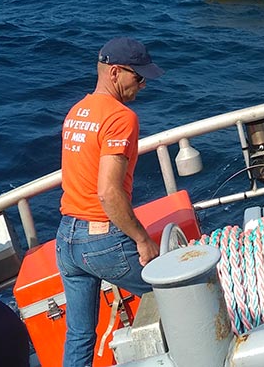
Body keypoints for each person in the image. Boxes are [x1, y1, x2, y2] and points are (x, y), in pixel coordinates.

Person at [55, 36, 164, 367]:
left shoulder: (78, 111)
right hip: (101, 240)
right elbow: (108, 192)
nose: (143, 85)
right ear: (116, 72)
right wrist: (143, 239)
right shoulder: (121, 117)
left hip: (66, 238)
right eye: (138, 76)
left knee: (79, 335)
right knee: (177, 294)